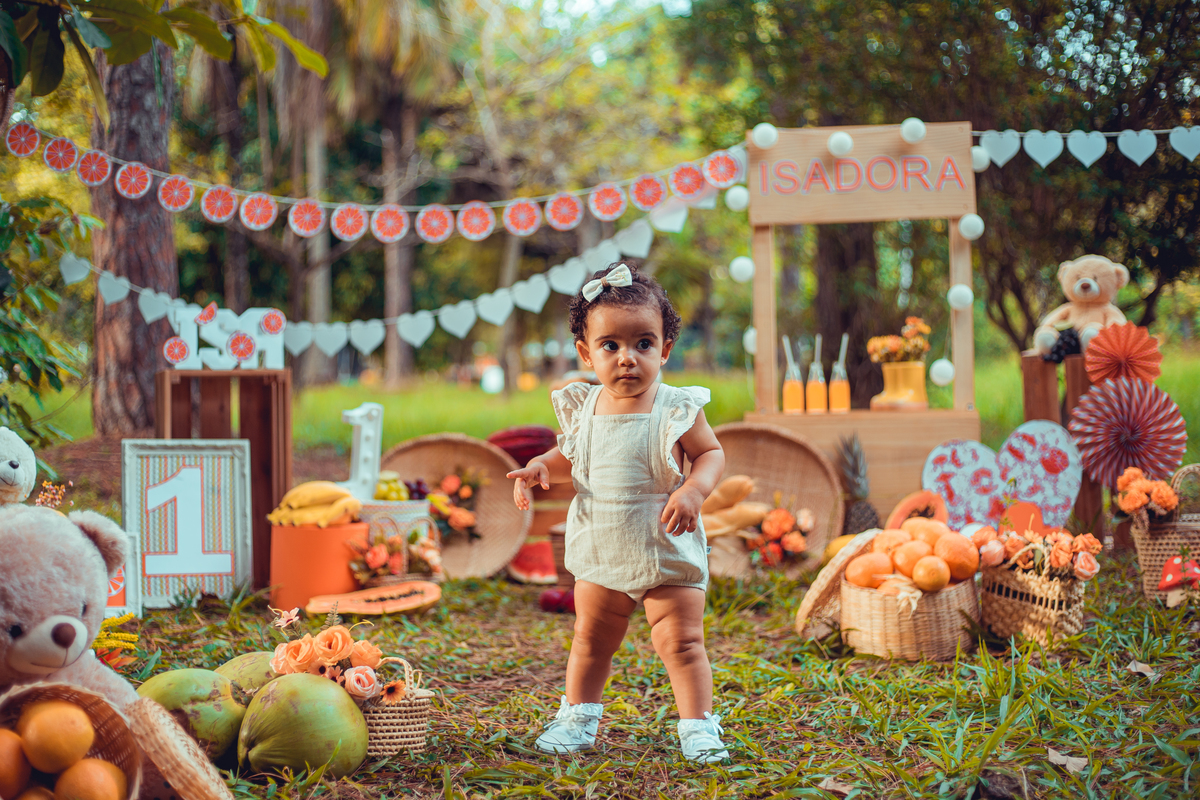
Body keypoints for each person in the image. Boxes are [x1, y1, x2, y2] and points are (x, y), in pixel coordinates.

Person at [507, 262, 730, 763]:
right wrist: (541, 466)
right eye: (611, 346)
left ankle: (697, 725)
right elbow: (573, 457)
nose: (627, 358)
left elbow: (711, 454)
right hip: (603, 550)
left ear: (665, 349)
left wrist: (695, 489)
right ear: (586, 353)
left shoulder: (678, 407)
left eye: (643, 344)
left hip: (667, 550)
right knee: (589, 640)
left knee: (683, 643)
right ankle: (578, 718)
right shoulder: (583, 408)